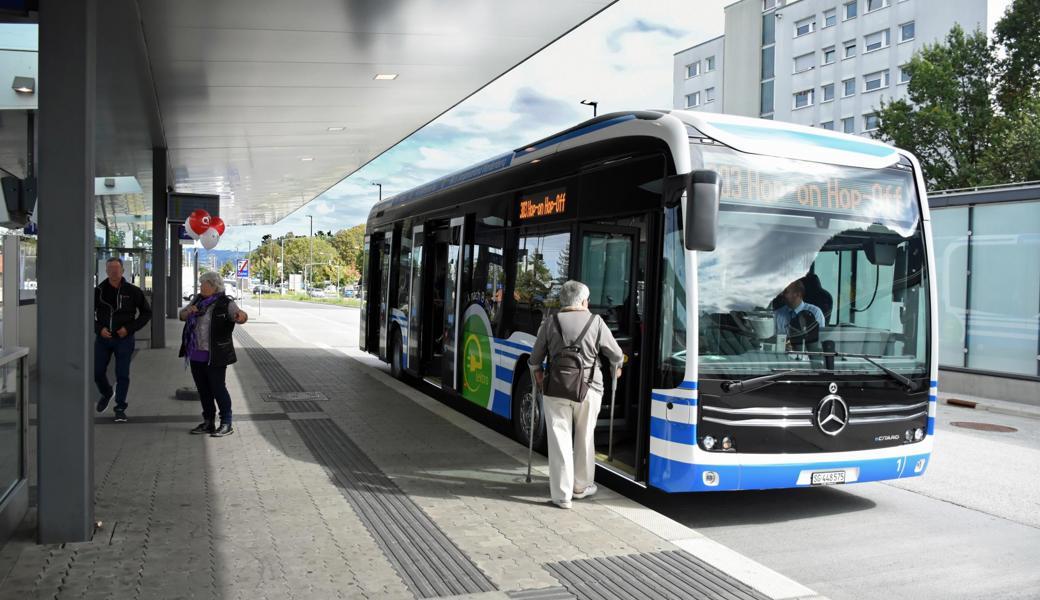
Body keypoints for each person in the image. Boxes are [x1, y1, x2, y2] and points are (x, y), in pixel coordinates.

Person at [529, 280, 624, 509]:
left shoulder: (549, 322)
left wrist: (539, 377)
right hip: (589, 389)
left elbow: (534, 360)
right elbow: (616, 355)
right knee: (584, 437)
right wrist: (617, 368)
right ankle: (581, 487)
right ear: (583, 301)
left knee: (559, 439)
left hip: (556, 388)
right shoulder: (596, 322)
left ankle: (562, 496)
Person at [179, 271, 248, 437]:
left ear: (213, 286)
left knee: (218, 388)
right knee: (203, 390)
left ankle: (226, 423)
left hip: (216, 354)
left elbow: (241, 316)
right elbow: (181, 315)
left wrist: (240, 317)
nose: (201, 287)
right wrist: (189, 312)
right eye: (201, 284)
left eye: (204, 284)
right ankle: (208, 422)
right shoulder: (197, 300)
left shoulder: (225, 303)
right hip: (196, 352)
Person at [94, 257, 152, 422]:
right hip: (103, 338)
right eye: (110, 269)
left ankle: (120, 407)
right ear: (106, 271)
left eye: (117, 269)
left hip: (124, 338)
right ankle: (106, 393)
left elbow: (146, 313)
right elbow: (86, 313)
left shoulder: (133, 291)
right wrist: (99, 329)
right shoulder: (98, 291)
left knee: (122, 374)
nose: (114, 271)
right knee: (97, 371)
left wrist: (129, 328)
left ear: (123, 271)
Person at [774, 279, 826, 345]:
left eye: (786, 291)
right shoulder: (777, 314)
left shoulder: (815, 312)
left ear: (798, 294)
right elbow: (772, 340)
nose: (782, 294)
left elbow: (820, 341)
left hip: (807, 353)